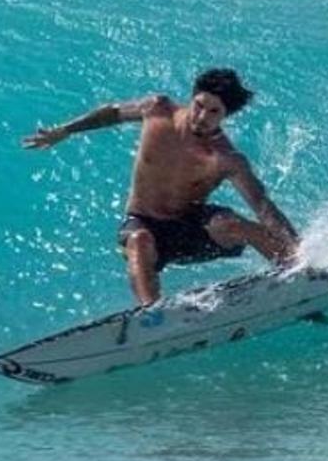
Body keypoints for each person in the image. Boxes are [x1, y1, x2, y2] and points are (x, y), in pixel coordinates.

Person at [22, 67, 299, 306]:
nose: (202, 116)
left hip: (190, 228)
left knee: (234, 223)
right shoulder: (157, 110)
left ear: (226, 116)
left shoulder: (226, 158)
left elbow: (263, 207)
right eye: (199, 105)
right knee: (139, 241)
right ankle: (153, 317)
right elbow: (112, 113)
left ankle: (297, 276)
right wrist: (67, 130)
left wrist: (298, 250)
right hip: (143, 223)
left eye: (214, 112)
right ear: (192, 97)